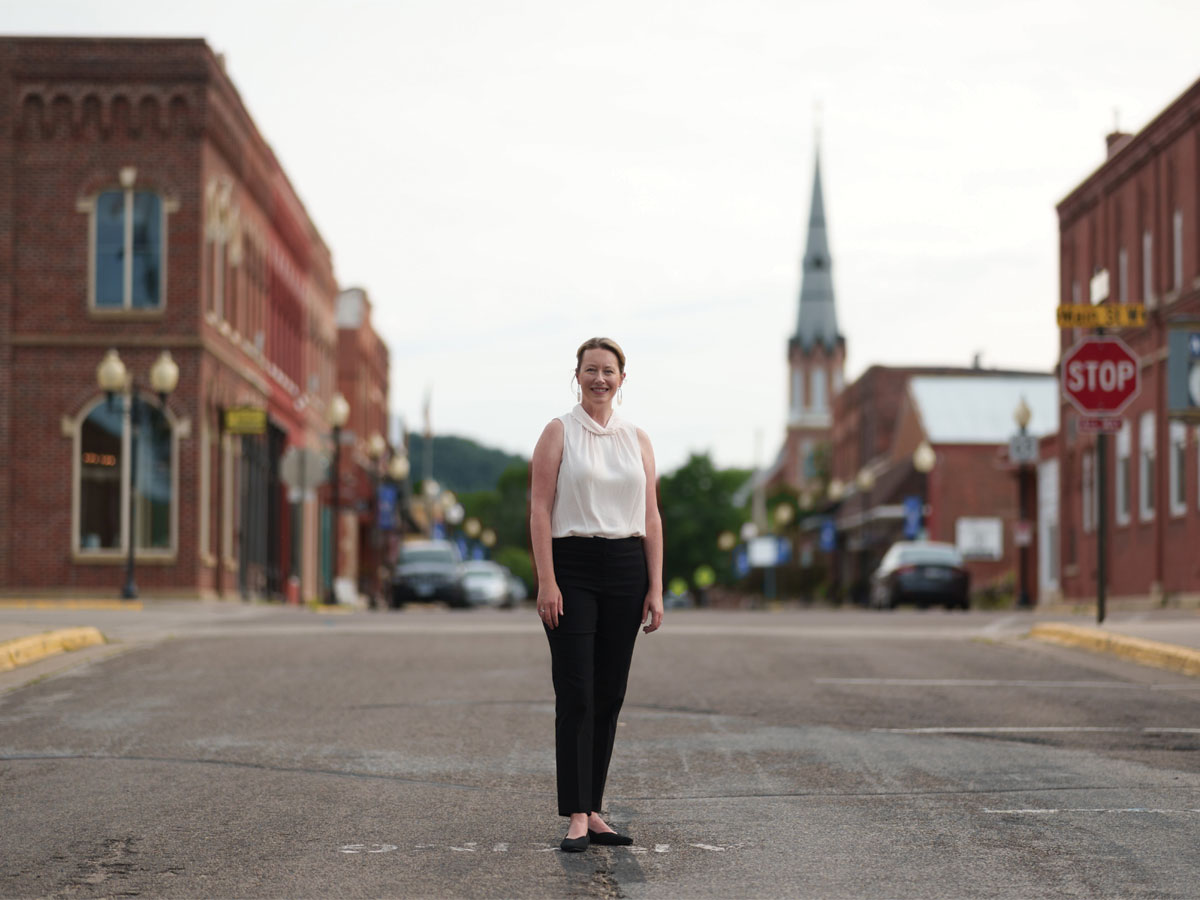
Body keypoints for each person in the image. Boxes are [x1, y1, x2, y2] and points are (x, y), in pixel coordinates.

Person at [529, 336, 664, 852]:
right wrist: (547, 580)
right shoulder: (558, 432)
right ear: (578, 375)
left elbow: (651, 515)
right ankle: (577, 815)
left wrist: (655, 586)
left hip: (628, 567)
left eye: (609, 370)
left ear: (622, 379)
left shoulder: (639, 439)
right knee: (577, 692)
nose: (600, 378)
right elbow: (540, 508)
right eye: (591, 370)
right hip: (573, 564)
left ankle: (596, 807)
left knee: (609, 694)